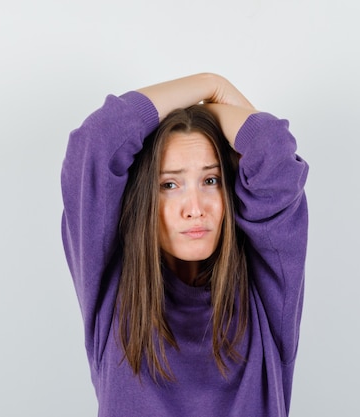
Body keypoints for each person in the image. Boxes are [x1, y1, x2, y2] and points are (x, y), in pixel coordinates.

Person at [61, 73, 309, 417]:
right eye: (169, 185)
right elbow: (98, 138)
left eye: (210, 180)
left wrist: (212, 109)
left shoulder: (266, 289)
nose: (195, 208)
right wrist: (209, 84)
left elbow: (271, 150)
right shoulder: (113, 290)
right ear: (145, 198)